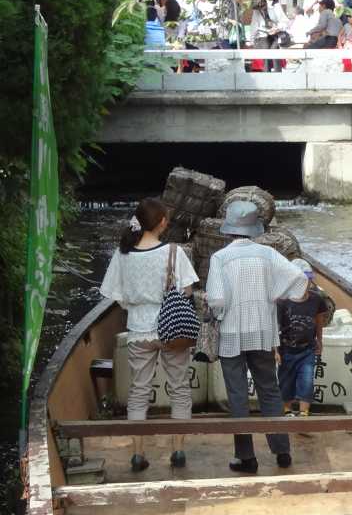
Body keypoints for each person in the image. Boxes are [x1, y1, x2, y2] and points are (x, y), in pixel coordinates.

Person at [205, 200, 310, 472]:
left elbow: (216, 300)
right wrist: (274, 294)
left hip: (231, 333)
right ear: (255, 229)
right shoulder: (268, 254)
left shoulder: (220, 258)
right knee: (269, 390)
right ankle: (282, 450)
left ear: (229, 229)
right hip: (263, 332)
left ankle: (246, 457)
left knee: (237, 395)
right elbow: (299, 278)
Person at [99, 198, 199, 471]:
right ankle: (178, 452)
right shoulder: (173, 253)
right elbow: (187, 292)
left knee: (139, 391)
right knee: (179, 388)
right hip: (172, 329)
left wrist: (136, 304)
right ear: (162, 222)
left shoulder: (123, 253)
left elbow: (114, 293)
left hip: (139, 329)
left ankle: (138, 455)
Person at [276, 259, 335, 420]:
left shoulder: (316, 300)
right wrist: (275, 350)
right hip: (286, 349)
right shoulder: (282, 302)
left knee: (307, 381)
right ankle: (287, 410)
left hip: (307, 349)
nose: (306, 284)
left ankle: (303, 414)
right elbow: (275, 326)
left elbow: (319, 321)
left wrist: (320, 341)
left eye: (308, 280)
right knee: (285, 381)